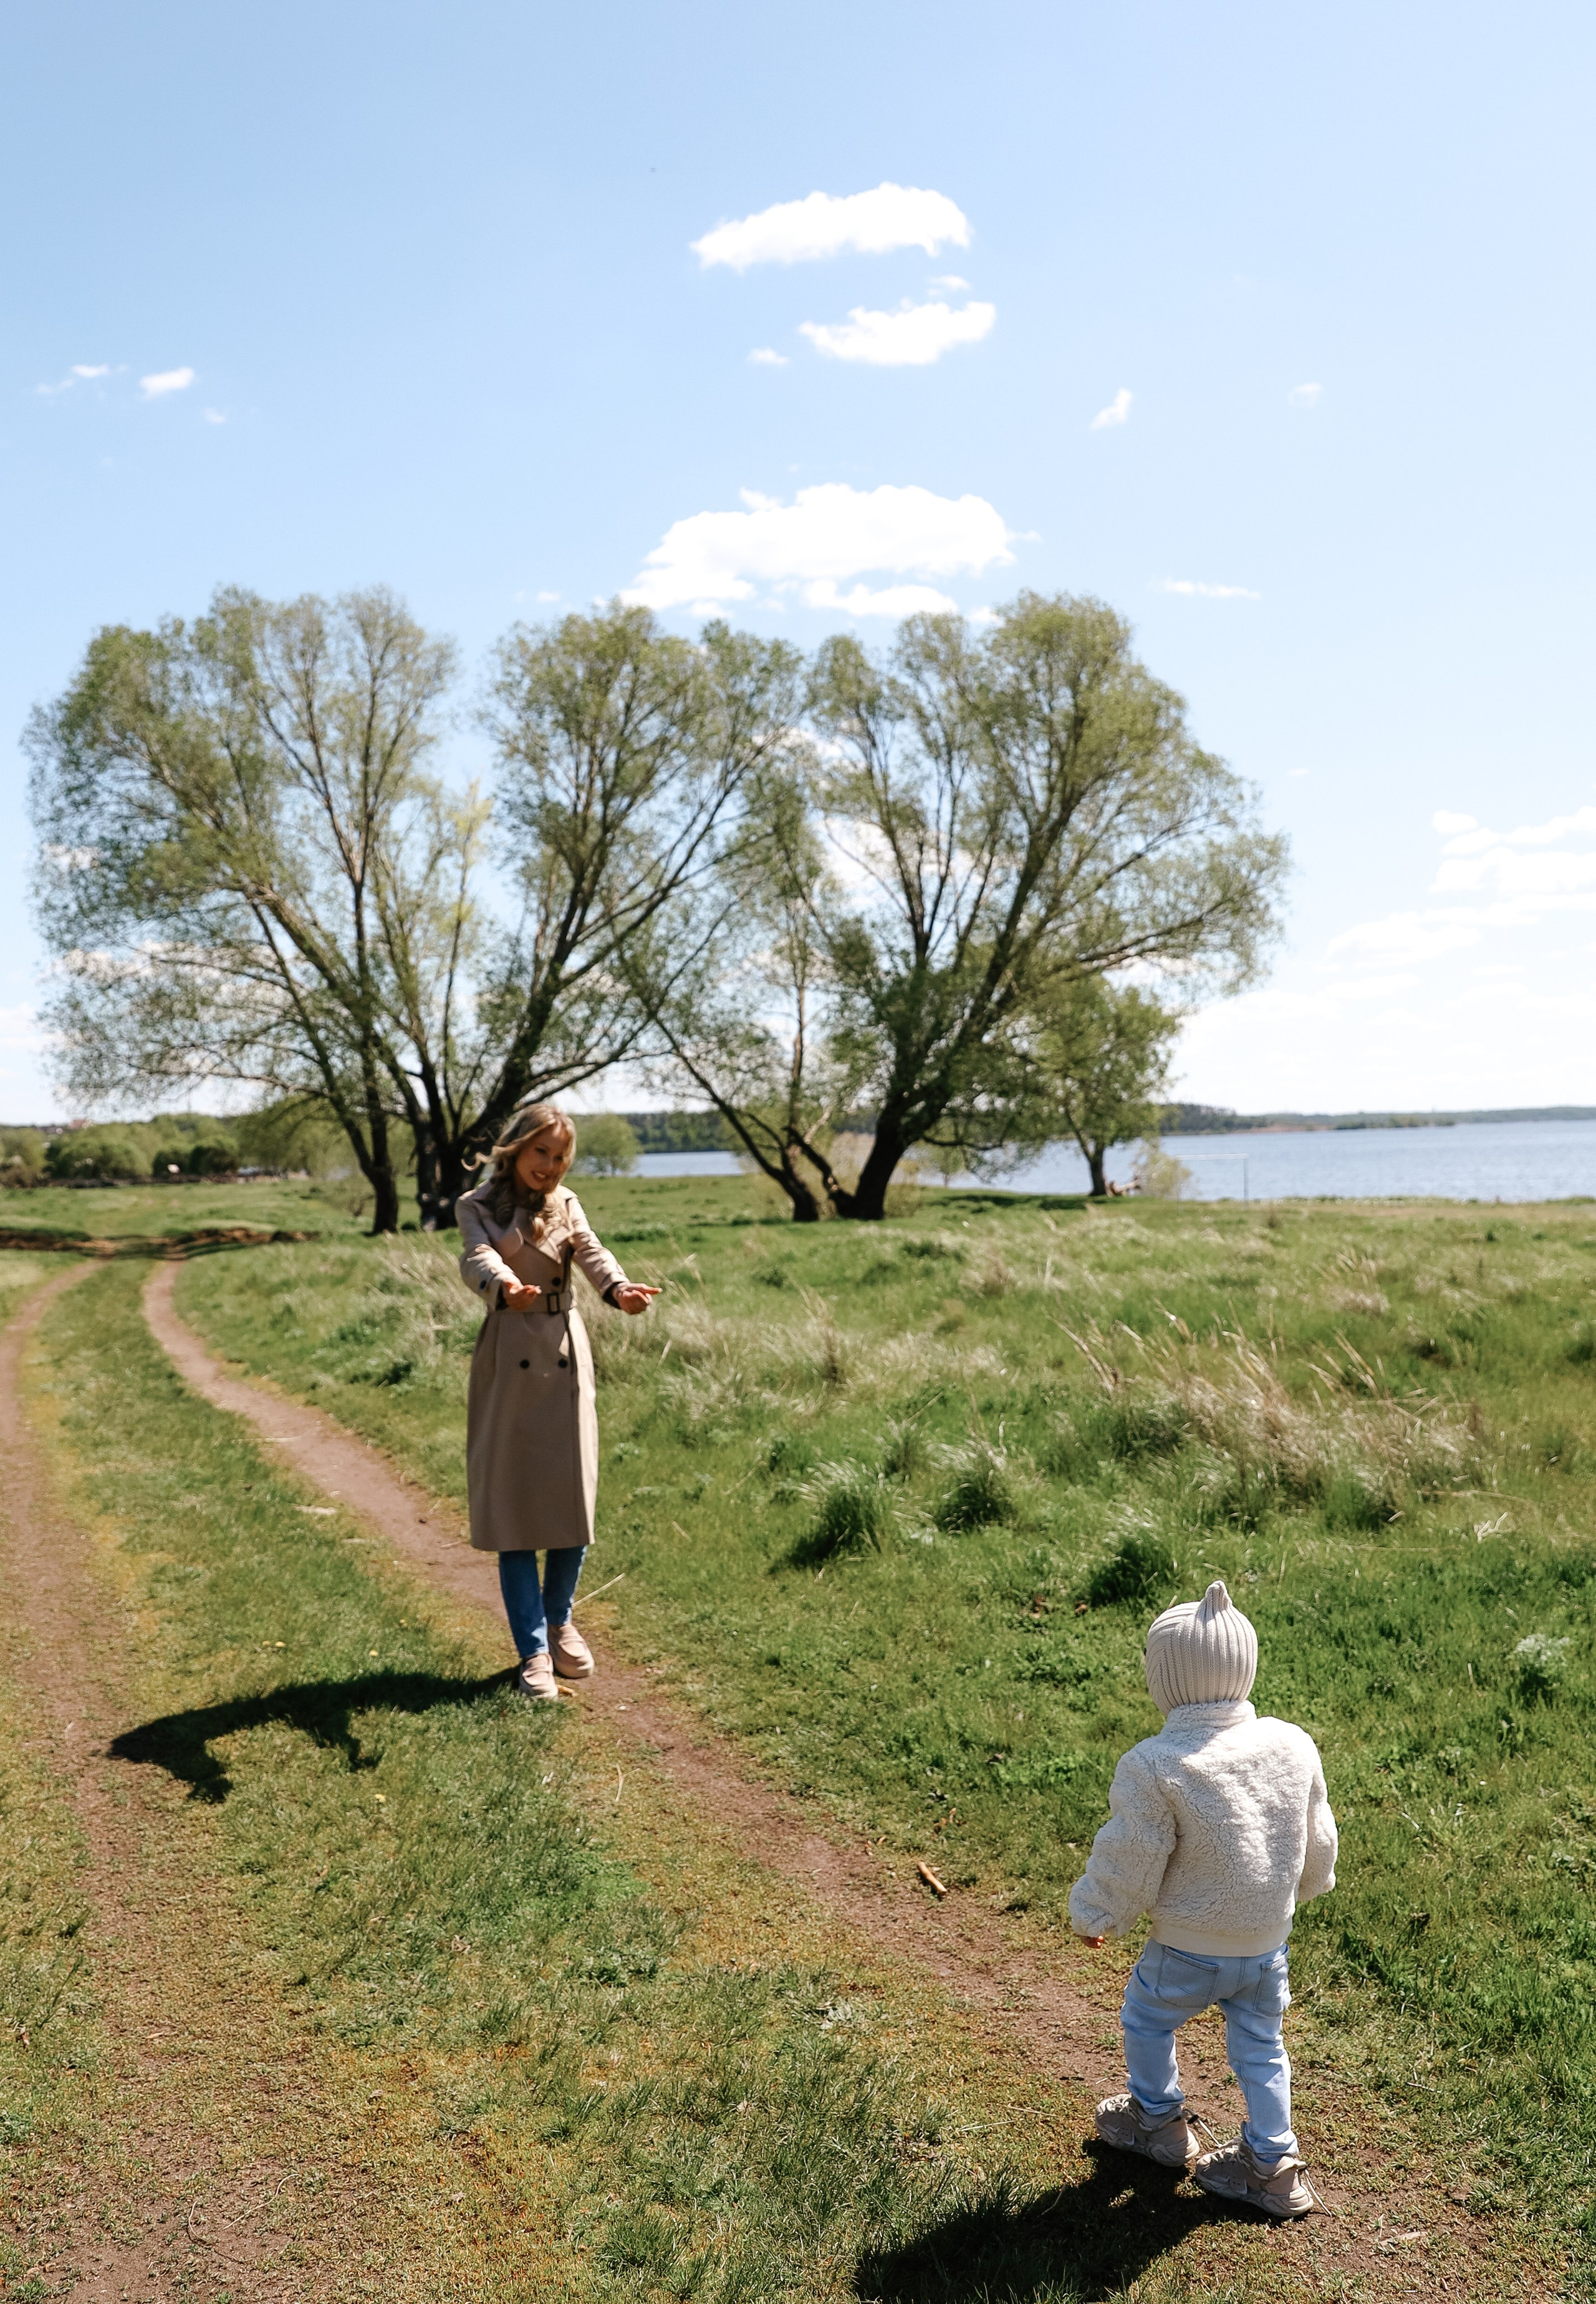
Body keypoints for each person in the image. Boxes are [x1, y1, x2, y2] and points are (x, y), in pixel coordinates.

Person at [1068, 1580, 1337, 2220]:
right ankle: (1273, 2167)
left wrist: (1097, 1913)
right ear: (1243, 1669)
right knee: (1261, 2046)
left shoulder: (1155, 1763)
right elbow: (1316, 1833)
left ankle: (1158, 2124)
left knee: (1147, 2018)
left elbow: (1132, 1855)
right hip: (1265, 1944)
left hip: (1187, 1947)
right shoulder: (1291, 1744)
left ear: (1164, 1680)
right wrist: (1307, 1886)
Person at [456, 1104, 658, 1701]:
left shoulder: (567, 1202)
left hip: (566, 1353)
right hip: (508, 1355)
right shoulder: (475, 1205)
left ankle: (560, 1619)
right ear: (516, 1148)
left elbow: (591, 1250)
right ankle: (534, 1652)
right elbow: (477, 1257)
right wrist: (503, 1286)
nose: (551, 1165)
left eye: (561, 1155)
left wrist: (618, 1289)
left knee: (574, 1500)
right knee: (514, 1511)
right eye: (541, 1151)